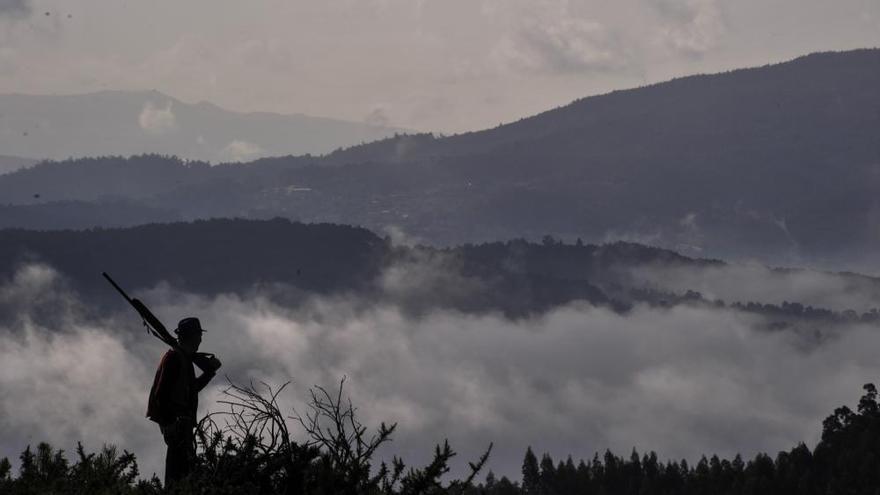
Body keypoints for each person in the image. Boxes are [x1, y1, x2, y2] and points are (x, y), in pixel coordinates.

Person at [146, 317, 221, 487]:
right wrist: (170, 423)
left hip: (182, 424)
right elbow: (161, 394)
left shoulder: (183, 358)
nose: (201, 339)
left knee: (184, 473)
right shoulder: (175, 358)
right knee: (177, 475)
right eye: (198, 335)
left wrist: (209, 372)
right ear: (193, 336)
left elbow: (190, 390)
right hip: (176, 424)